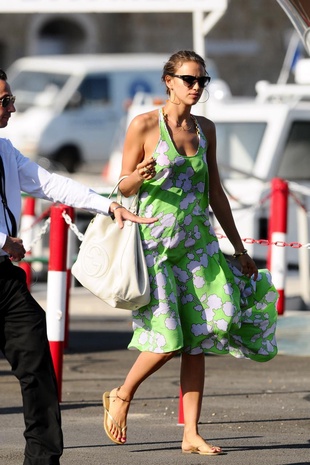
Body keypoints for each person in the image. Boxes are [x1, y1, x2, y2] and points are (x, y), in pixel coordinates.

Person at [102, 50, 278, 456]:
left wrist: (238, 247)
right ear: (169, 80)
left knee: (199, 339)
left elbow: (215, 192)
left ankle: (191, 434)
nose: (196, 87)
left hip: (198, 247)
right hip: (156, 247)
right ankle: (123, 393)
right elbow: (121, 190)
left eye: (202, 81)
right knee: (167, 340)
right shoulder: (144, 125)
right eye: (189, 79)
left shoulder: (206, 130)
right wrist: (137, 177)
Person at [0, 68, 157, 465]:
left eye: (11, 99)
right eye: (5, 101)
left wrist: (109, 205)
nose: (13, 108)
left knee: (36, 363)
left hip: (3, 280)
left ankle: (43, 459)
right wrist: (3, 240)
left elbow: (50, 184)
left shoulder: (3, 148)